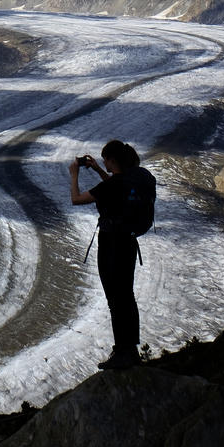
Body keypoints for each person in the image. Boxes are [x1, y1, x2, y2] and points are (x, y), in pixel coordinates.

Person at [69, 139, 155, 370]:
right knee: (126, 296)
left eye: (105, 159)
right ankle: (130, 349)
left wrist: (74, 174)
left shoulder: (114, 185)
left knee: (115, 299)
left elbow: (76, 199)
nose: (103, 162)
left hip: (111, 245)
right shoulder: (126, 181)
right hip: (127, 242)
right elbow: (115, 187)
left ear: (112, 160)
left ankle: (123, 352)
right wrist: (97, 169)